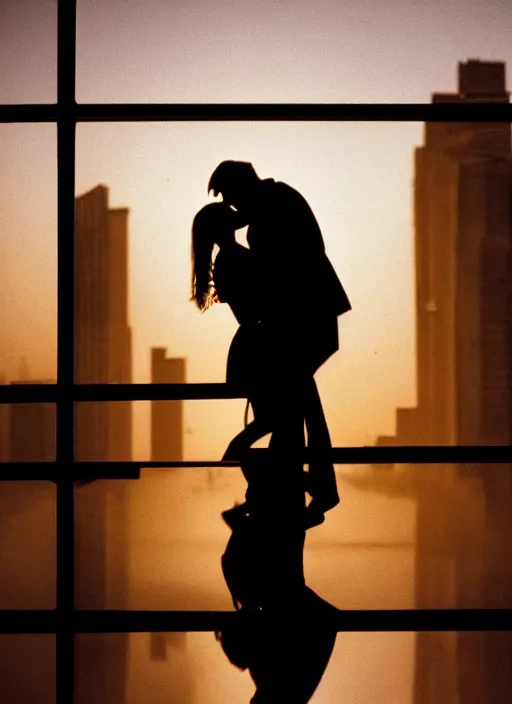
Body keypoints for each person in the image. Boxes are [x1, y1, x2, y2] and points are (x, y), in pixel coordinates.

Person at [207, 161, 351, 522]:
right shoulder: (277, 202)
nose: (232, 206)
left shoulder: (270, 213)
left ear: (240, 187)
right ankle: (304, 490)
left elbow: (280, 278)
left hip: (303, 323)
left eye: (229, 196)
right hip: (308, 321)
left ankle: (299, 490)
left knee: (296, 407)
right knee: (299, 405)